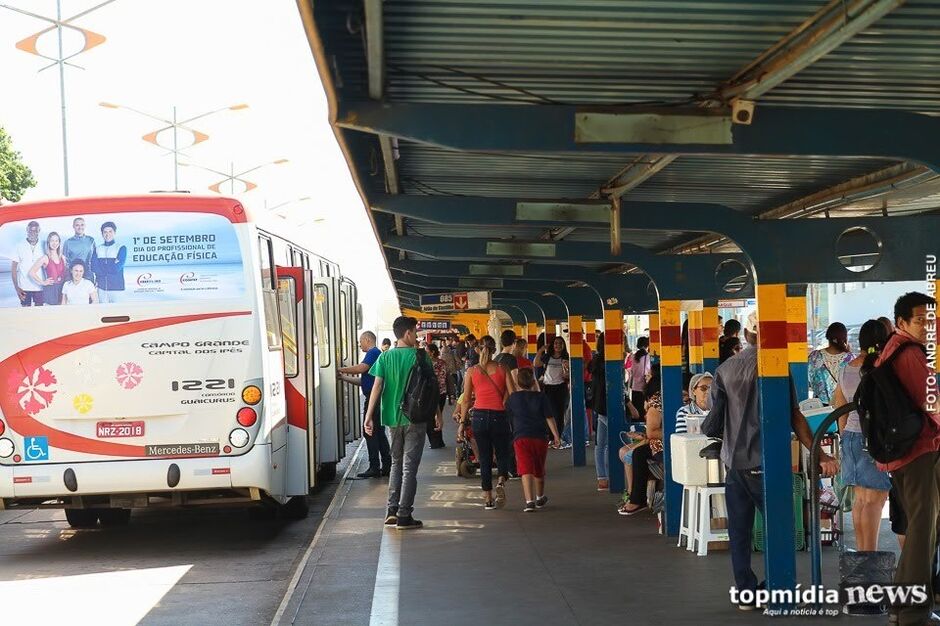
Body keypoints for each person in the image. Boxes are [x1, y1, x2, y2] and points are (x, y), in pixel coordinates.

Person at [701, 311, 838, 611]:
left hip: (733, 463)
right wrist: (820, 453)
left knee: (739, 531)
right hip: (765, 463)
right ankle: (778, 588)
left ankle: (746, 592)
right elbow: (794, 415)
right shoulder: (774, 368)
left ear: (745, 335)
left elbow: (714, 418)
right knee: (780, 526)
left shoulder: (724, 370)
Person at [876, 292, 940, 626]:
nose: (929, 326)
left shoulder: (891, 350)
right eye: (921, 320)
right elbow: (933, 404)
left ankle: (901, 607)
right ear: (901, 322)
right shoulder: (912, 354)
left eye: (933, 320)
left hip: (902, 452)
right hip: (919, 452)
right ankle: (914, 612)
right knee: (923, 531)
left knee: (920, 528)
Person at [365, 316, 441, 530]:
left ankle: (391, 511)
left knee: (396, 464)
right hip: (415, 418)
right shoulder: (420, 356)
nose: (416, 335)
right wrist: (438, 414)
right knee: (409, 468)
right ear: (407, 333)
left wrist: (369, 415)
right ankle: (404, 515)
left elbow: (377, 387)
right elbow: (431, 388)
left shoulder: (385, 357)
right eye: (415, 331)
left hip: (391, 418)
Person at [831, 319, 891, 552]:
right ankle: (870, 555)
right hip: (874, 440)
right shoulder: (882, 369)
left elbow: (839, 408)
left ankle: (862, 554)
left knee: (861, 500)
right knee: (875, 501)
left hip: (851, 438)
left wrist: (846, 436)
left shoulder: (846, 369)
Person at [461, 334, 513, 510]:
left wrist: (462, 422)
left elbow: (467, 399)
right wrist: (504, 400)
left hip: (479, 417)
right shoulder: (502, 368)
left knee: (484, 458)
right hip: (500, 416)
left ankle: (488, 499)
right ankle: (500, 482)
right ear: (494, 350)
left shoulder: (472, 371)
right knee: (502, 454)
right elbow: (511, 393)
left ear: (478, 349)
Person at [507, 367, 561, 511]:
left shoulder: (513, 398)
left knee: (525, 469)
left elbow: (509, 416)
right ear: (533, 382)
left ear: (518, 382)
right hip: (540, 437)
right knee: (539, 468)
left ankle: (529, 501)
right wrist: (556, 436)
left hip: (521, 437)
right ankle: (540, 497)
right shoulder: (541, 397)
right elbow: (549, 417)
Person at [339, 331, 391, 478]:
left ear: (367, 339)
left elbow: (361, 368)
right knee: (379, 433)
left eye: (360, 341)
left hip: (373, 399)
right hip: (375, 397)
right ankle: (386, 465)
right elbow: (364, 381)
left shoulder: (373, 352)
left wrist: (341, 369)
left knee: (370, 432)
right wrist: (344, 377)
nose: (359, 344)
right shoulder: (375, 353)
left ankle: (374, 466)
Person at [534, 336, 570, 448]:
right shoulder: (547, 357)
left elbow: (567, 375)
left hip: (560, 388)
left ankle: (557, 437)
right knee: (548, 413)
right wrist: (540, 350)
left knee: (559, 413)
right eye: (555, 343)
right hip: (548, 388)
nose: (557, 345)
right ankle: (550, 437)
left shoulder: (566, 357)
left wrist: (566, 369)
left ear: (563, 345)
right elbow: (536, 364)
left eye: (560, 343)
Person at [807, 322, 855, 404]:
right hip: (843, 407)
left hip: (820, 407)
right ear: (845, 338)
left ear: (827, 337)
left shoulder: (814, 356)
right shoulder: (851, 359)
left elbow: (808, 381)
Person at [590, 332, 609, 490]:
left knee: (600, 443)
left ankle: (602, 478)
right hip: (608, 405)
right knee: (612, 442)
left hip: (598, 404)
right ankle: (610, 476)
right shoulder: (609, 361)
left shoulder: (596, 360)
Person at [12, 220, 46, 306]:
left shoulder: (44, 244)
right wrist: (17, 288)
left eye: (35, 230)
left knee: (39, 314)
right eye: (31, 230)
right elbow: (13, 269)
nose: (33, 233)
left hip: (40, 287)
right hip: (24, 287)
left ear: (39, 230)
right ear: (27, 230)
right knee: (25, 315)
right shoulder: (19, 246)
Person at [92, 221, 127, 303]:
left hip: (117, 288)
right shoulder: (97, 249)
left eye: (110, 231)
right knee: (102, 312)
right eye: (105, 232)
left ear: (114, 232)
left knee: (118, 313)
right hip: (101, 288)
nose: (107, 234)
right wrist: (111, 264)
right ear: (102, 234)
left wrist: (101, 267)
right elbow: (94, 267)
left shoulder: (121, 248)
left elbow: (116, 269)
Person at [29, 231, 66, 307]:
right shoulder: (45, 258)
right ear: (48, 242)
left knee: (62, 313)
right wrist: (43, 282)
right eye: (52, 241)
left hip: (62, 288)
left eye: (56, 241)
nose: (54, 243)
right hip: (51, 289)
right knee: (51, 314)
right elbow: (31, 272)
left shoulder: (62, 257)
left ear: (59, 243)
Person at [62, 217, 96, 284]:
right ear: (73, 226)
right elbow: (65, 262)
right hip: (73, 276)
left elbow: (95, 258)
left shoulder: (91, 240)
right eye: (77, 225)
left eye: (82, 225)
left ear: (85, 226)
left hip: (88, 276)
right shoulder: (68, 242)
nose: (80, 227)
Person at [426, 343, 448, 449]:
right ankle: (439, 441)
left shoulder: (429, 364)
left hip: (432, 393)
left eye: (427, 350)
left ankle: (435, 442)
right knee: (438, 417)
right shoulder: (443, 363)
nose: (426, 352)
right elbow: (445, 377)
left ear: (432, 352)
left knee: (430, 418)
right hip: (442, 393)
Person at [629, 337, 652, 419]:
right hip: (644, 388)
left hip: (635, 387)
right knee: (643, 411)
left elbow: (630, 371)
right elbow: (647, 371)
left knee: (636, 410)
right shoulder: (648, 357)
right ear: (647, 345)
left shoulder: (633, 356)